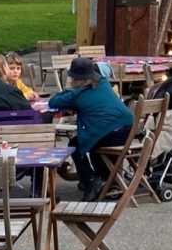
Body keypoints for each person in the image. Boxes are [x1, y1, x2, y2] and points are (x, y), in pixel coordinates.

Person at [48, 57, 134, 201]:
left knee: (74, 145)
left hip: (108, 133)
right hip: (127, 129)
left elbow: (54, 101)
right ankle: (106, 181)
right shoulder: (103, 82)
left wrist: (70, 91)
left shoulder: (77, 94)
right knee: (94, 144)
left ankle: (91, 181)